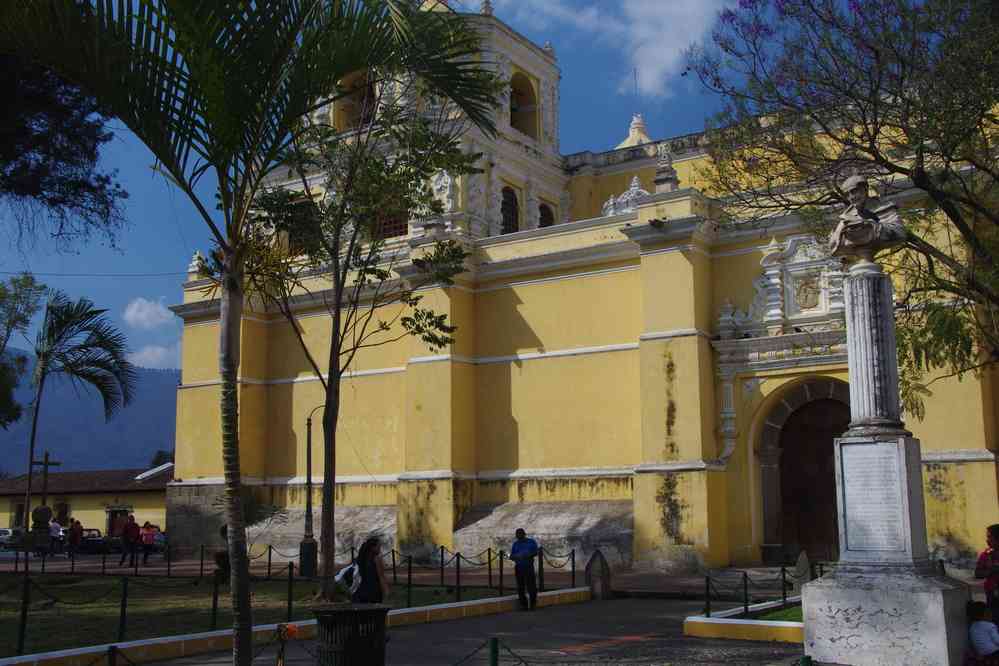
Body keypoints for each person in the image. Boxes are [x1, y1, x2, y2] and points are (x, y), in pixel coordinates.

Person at [351, 536, 390, 604]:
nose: (380, 549)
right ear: (372, 548)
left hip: (360, 591)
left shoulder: (359, 559)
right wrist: (386, 590)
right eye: (378, 546)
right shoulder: (377, 559)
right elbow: (381, 576)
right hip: (373, 591)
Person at [510, 528, 539, 611]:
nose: (517, 536)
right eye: (517, 534)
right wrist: (515, 557)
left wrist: (527, 555)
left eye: (519, 534)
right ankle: (524, 605)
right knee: (520, 587)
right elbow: (511, 556)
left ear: (523, 534)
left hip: (528, 566)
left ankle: (533, 604)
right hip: (519, 567)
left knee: (531, 586)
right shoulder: (515, 544)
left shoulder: (531, 542)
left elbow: (535, 552)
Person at [976, 525, 999, 614]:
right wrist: (991, 570)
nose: (987, 540)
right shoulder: (986, 554)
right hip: (992, 595)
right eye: (987, 537)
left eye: (990, 537)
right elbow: (977, 573)